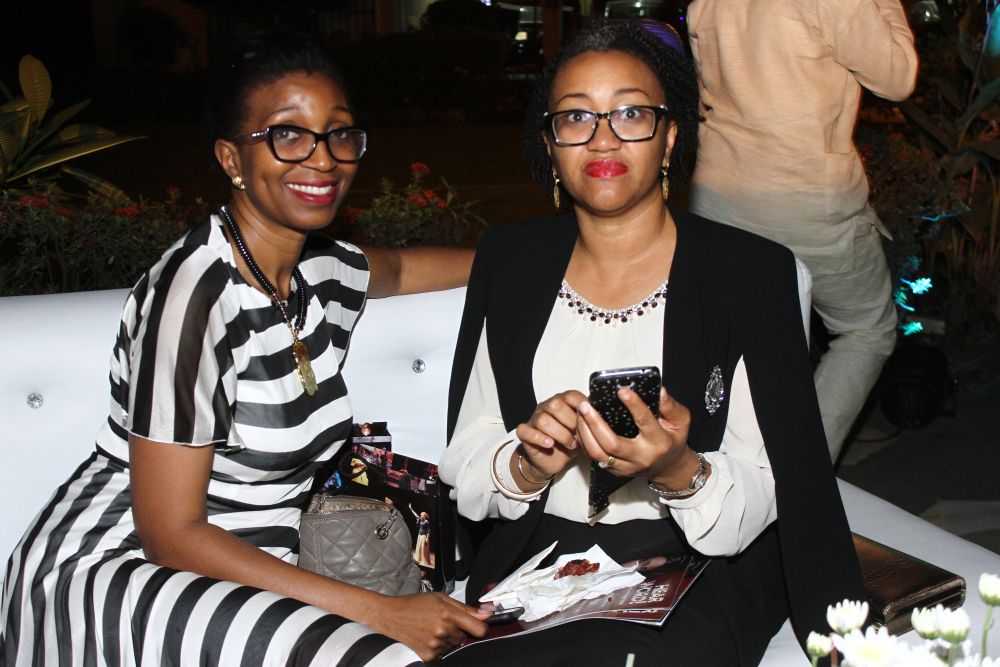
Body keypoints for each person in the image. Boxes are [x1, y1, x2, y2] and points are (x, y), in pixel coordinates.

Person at [0, 33, 489, 666]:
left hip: (240, 571)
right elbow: (170, 533)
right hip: (120, 571)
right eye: (288, 135)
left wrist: (540, 256)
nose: (323, 158)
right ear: (232, 158)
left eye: (339, 134)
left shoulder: (317, 273)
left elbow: (398, 269)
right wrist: (378, 610)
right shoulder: (196, 293)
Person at [439, 20, 865, 664]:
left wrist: (678, 469)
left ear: (670, 137)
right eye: (576, 117)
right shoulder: (511, 260)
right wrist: (528, 462)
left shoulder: (749, 272)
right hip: (538, 560)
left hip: (696, 565)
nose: (603, 137)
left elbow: (774, 478)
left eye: (631, 113)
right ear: (550, 146)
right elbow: (468, 447)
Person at [686, 0, 919, 461]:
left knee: (742, 344)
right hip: (805, 199)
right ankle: (797, 470)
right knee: (866, 331)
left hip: (719, 197)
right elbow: (899, 76)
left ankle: (727, 469)